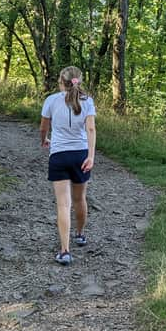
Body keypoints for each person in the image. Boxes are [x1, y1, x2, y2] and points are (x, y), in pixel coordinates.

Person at [39, 66, 96, 265]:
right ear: (78, 81)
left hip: (59, 155)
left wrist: (45, 139)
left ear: (60, 81)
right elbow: (90, 128)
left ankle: (65, 251)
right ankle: (80, 234)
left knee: (63, 204)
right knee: (80, 199)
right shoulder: (87, 101)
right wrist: (91, 156)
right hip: (80, 155)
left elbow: (44, 126)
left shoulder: (51, 100)